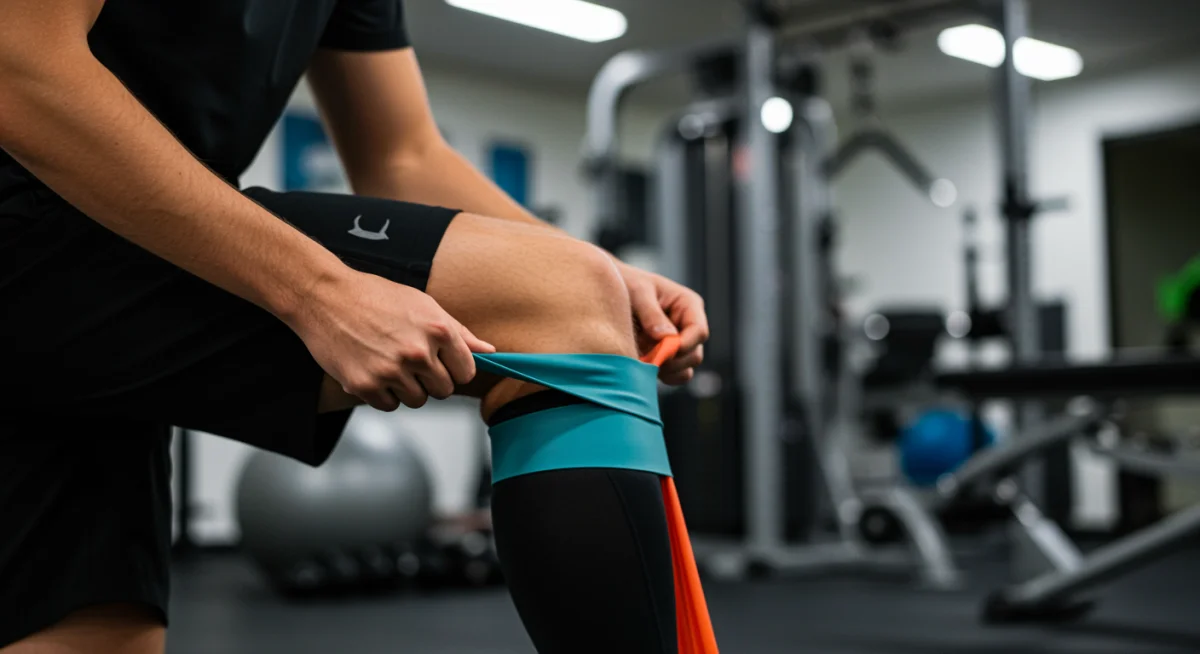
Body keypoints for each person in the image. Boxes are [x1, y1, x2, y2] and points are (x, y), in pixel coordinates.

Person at [0, 2, 710, 653]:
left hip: (115, 262)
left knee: (83, 638)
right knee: (558, 301)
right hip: (42, 227)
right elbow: (20, 65)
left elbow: (401, 153)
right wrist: (318, 292)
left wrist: (601, 278)